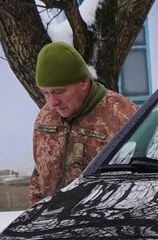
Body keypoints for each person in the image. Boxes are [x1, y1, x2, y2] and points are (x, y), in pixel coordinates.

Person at [29, 41, 138, 205]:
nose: (53, 102)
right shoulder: (46, 116)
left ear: (84, 83)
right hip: (52, 223)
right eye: (46, 93)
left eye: (60, 91)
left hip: (100, 223)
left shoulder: (121, 116)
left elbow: (136, 183)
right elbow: (39, 174)